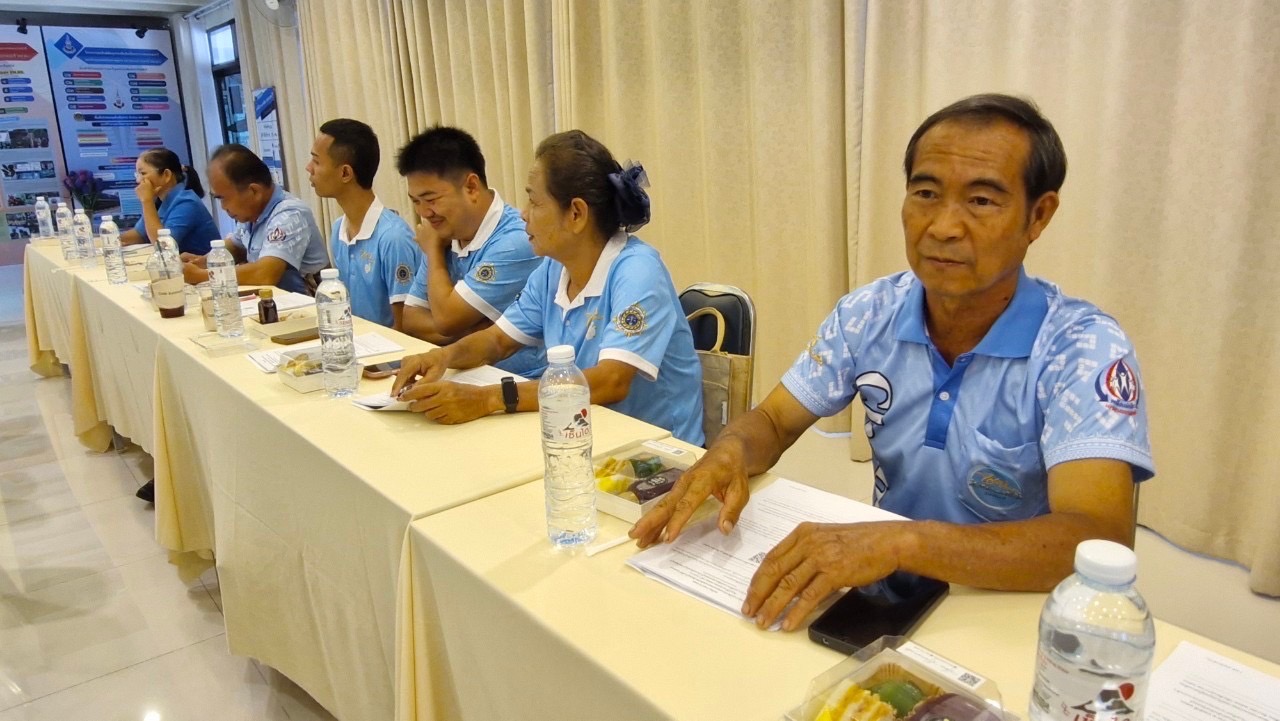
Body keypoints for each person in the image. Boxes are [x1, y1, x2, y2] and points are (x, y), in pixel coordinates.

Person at [630, 94, 1155, 632]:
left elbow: (1096, 537)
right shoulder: (868, 313)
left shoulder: (1082, 349)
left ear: (1037, 216)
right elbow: (772, 421)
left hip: (1009, 616)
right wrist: (730, 452)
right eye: (925, 193)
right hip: (882, 600)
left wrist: (904, 540)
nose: (944, 226)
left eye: (981, 201)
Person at [391, 130, 705, 446]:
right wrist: (442, 357)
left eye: (534, 201)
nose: (524, 214)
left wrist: (487, 400)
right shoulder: (554, 268)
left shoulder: (638, 270)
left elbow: (612, 381)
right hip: (583, 434)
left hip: (657, 451)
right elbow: (498, 340)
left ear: (576, 214)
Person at [395, 126, 545, 376]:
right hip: (462, 373)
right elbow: (410, 319)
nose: (424, 213)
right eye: (416, 201)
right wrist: (474, 331)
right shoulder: (444, 232)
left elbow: (446, 320)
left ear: (472, 187)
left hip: (520, 381)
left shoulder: (516, 239)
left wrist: (432, 253)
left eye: (431, 199)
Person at [307, 118, 420, 328]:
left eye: (316, 161)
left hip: (391, 358)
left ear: (345, 173)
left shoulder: (393, 238)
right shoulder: (338, 229)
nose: (308, 168)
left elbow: (405, 326)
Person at [182, 144, 328, 295]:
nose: (223, 207)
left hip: (311, 311)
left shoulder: (290, 214)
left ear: (253, 191)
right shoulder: (252, 214)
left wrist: (201, 276)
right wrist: (203, 262)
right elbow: (235, 246)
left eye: (223, 198)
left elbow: (265, 274)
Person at [118, 148, 221, 255]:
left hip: (203, 267)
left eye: (143, 173)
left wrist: (146, 201)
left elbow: (163, 246)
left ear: (166, 175)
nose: (138, 180)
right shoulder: (159, 201)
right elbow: (139, 234)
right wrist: (111, 240)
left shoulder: (187, 203)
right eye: (137, 175)